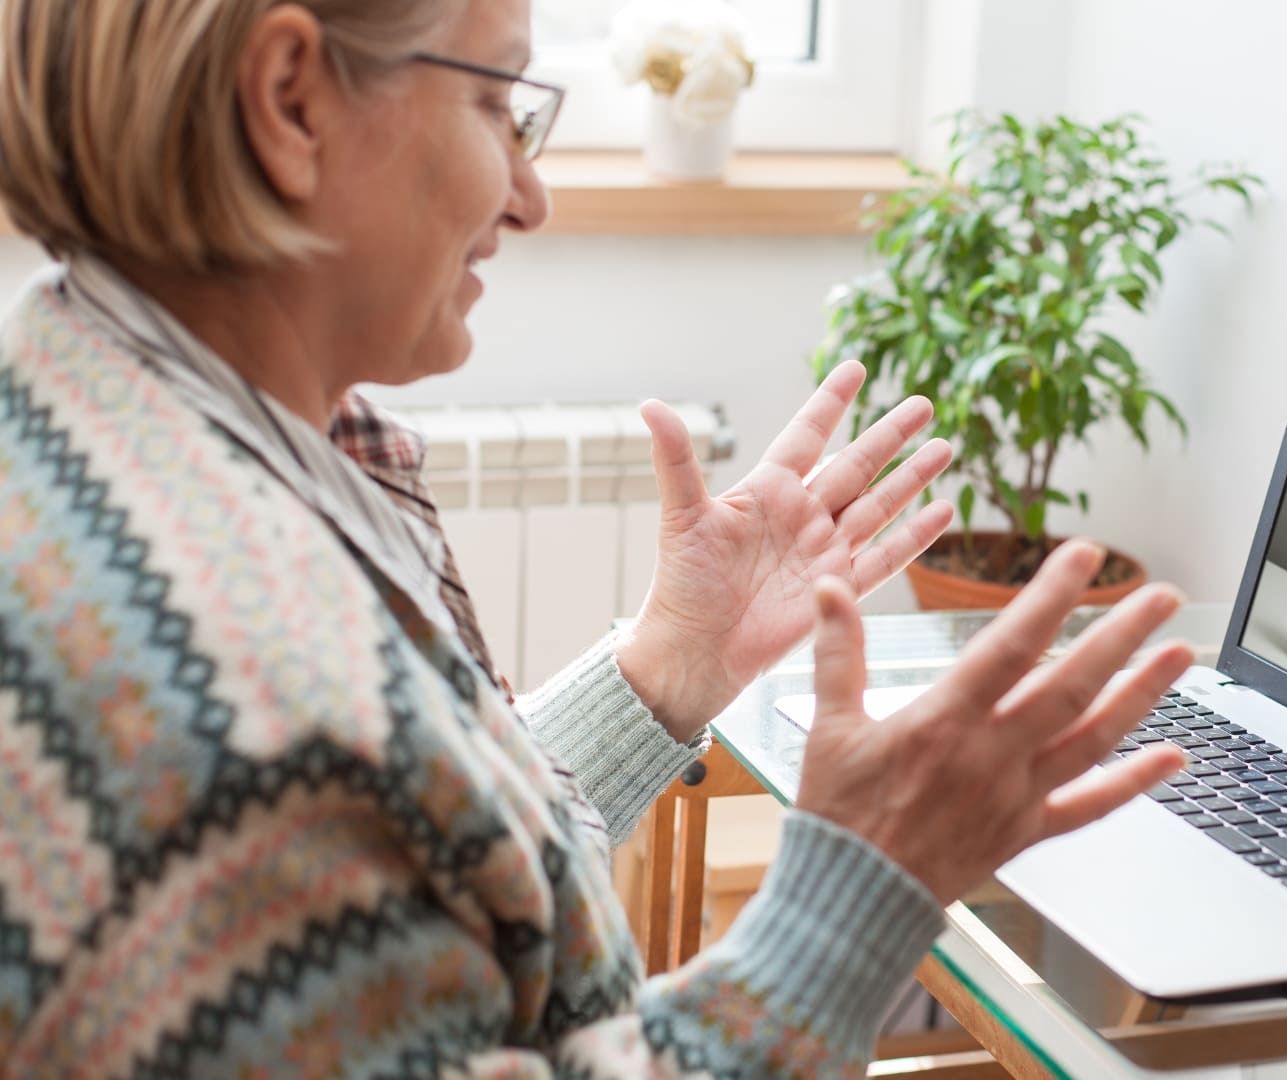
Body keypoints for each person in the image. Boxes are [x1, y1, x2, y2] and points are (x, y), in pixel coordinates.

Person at [0, 0, 1192, 1074]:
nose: (531, 194)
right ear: (290, 100)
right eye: (496, 103)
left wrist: (672, 665)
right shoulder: (238, 700)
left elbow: (418, 872)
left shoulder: (92, 388)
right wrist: (855, 895)